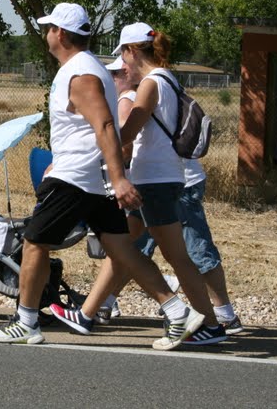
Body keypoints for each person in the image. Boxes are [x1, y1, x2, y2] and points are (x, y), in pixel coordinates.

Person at [0, 3, 205, 350]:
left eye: (50, 28)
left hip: (76, 177)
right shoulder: (86, 68)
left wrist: (119, 179)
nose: (46, 34)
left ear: (61, 34)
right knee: (121, 248)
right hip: (90, 176)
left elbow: (105, 125)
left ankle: (25, 322)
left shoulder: (81, 74)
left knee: (35, 242)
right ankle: (178, 313)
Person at [55, 22, 226, 345]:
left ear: (132, 51)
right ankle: (86, 313)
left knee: (176, 257)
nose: (123, 64)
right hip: (160, 177)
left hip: (154, 181)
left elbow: (127, 133)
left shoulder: (151, 83)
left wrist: (92, 137)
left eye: (123, 55)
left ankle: (210, 325)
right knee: (121, 247)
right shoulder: (168, 79)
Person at [88, 58, 243, 337]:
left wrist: (98, 147)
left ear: (131, 60)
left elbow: (126, 139)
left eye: (116, 72)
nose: (112, 78)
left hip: (160, 183)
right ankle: (95, 308)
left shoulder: (140, 91)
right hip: (161, 181)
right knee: (127, 247)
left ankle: (214, 319)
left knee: (186, 253)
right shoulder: (165, 81)